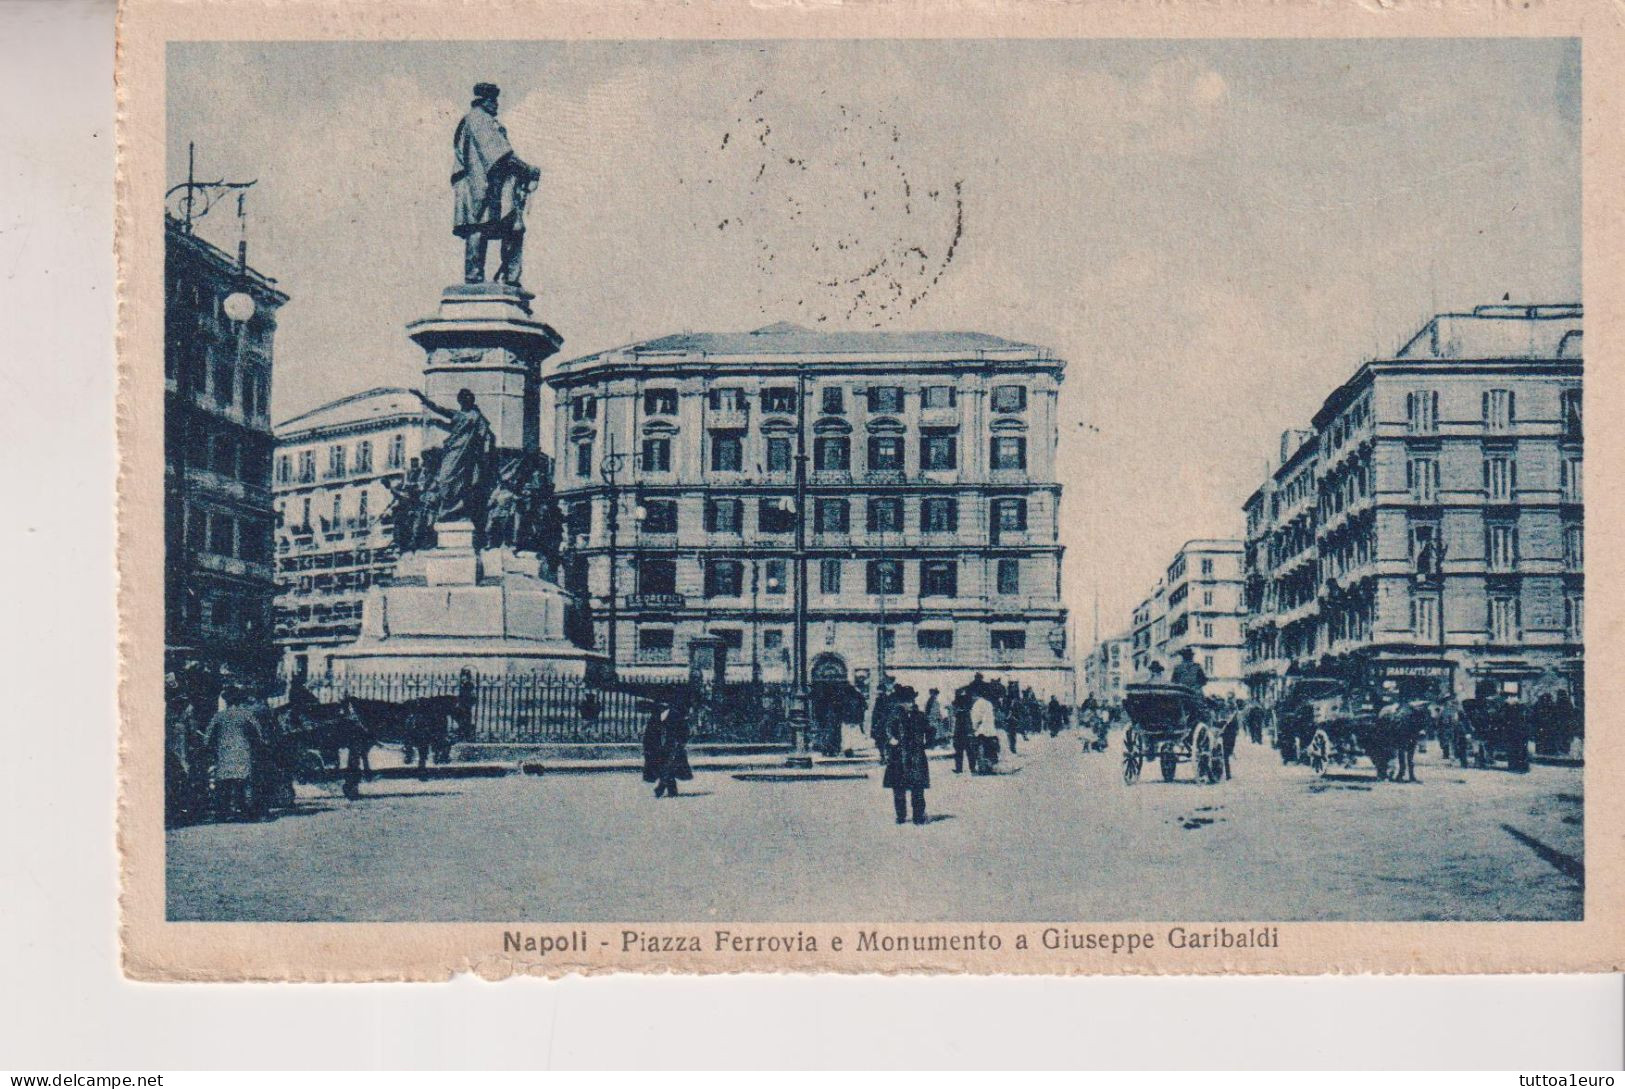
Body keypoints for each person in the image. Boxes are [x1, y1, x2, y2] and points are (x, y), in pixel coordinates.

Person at [452, 83, 541, 286]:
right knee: (480, 228)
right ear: (484, 101)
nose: (497, 105)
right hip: (479, 187)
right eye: (494, 101)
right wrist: (528, 170)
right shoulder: (479, 119)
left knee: (512, 228)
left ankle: (509, 279)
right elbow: (500, 155)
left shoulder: (482, 120)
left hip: (491, 187)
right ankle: (476, 280)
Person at [202, 686, 264, 822]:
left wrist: (210, 748)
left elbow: (207, 737)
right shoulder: (246, 714)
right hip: (242, 751)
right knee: (242, 782)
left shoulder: (219, 716)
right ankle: (245, 812)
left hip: (224, 752)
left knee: (224, 783)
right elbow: (259, 734)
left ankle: (223, 813)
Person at [881, 686, 932, 825]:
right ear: (900, 702)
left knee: (918, 788)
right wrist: (891, 739)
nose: (910, 704)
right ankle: (901, 816)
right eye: (907, 701)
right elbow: (886, 730)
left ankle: (918, 816)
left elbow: (930, 730)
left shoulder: (920, 716)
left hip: (916, 755)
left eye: (912, 701)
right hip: (898, 756)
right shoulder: (894, 715)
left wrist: (927, 743)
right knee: (898, 788)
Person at [643, 694, 694, 798]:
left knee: (668, 766)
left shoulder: (675, 715)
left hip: (672, 746)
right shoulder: (656, 716)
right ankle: (671, 790)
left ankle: (661, 789)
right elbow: (650, 732)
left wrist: (680, 743)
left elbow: (685, 730)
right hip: (658, 747)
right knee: (663, 767)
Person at [970, 687, 1000, 774]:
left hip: (981, 732)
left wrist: (974, 728)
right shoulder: (989, 703)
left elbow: (976, 719)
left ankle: (983, 769)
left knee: (981, 750)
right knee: (991, 750)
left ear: (976, 695)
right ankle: (991, 768)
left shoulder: (977, 704)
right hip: (991, 731)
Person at [950, 686, 975, 773]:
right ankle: (972, 768)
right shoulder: (966, 713)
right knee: (969, 752)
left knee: (960, 752)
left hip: (961, 734)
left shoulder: (961, 714)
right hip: (965, 734)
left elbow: (959, 726)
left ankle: (959, 769)